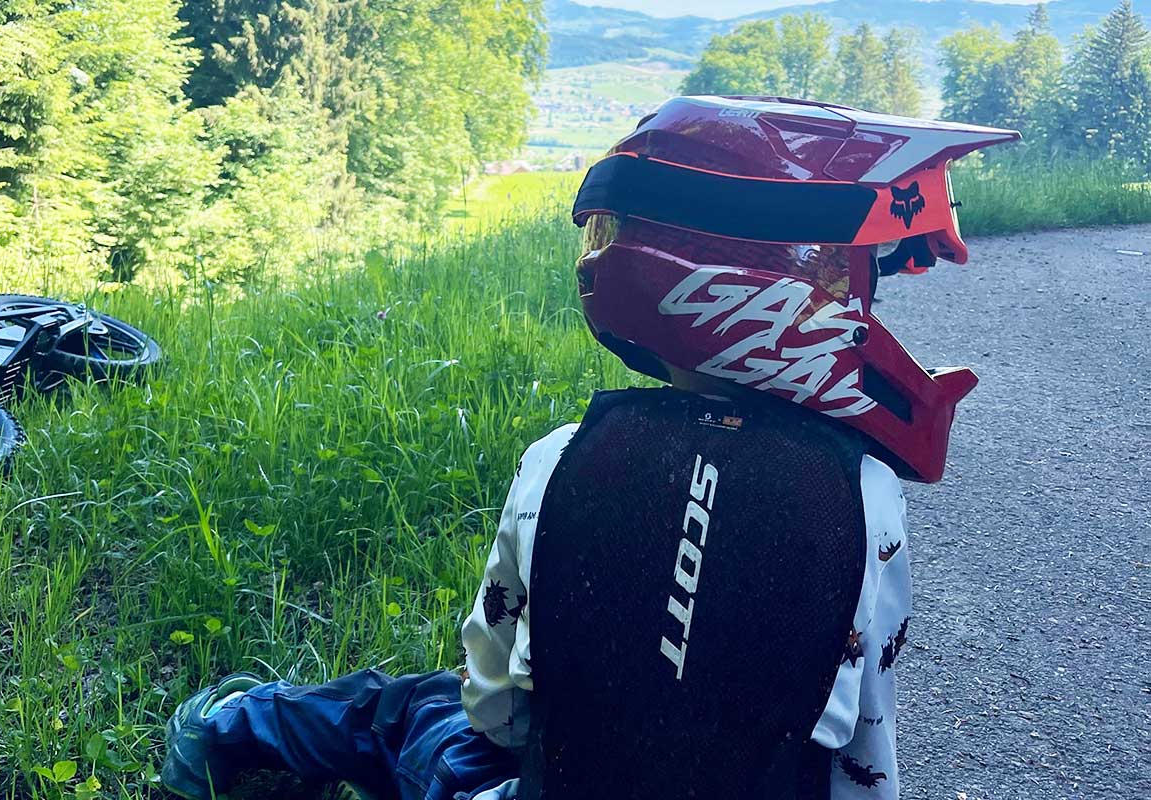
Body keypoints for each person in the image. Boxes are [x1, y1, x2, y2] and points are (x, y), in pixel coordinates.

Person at [160, 96, 1019, 800]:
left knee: (407, 712)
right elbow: (863, 756)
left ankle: (225, 728)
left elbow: (495, 713)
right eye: (854, 281)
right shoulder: (865, 496)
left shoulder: (562, 459)